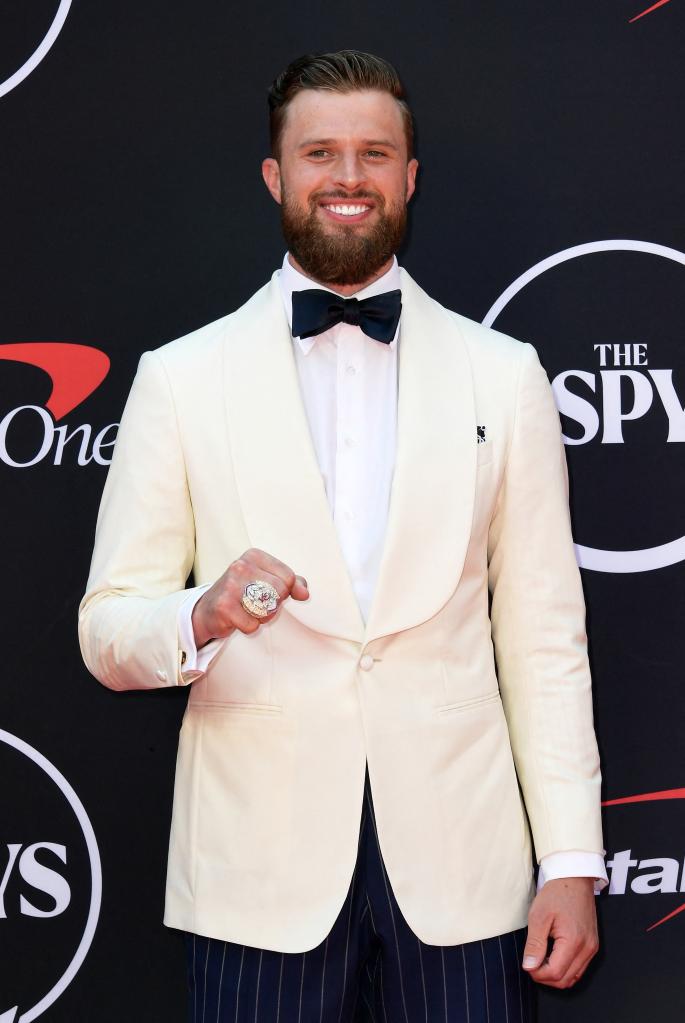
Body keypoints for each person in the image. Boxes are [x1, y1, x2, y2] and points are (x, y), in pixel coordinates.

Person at [79, 50, 607, 1023]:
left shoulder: (505, 374)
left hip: (465, 875)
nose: (348, 178)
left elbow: (542, 638)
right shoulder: (182, 378)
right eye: (320, 152)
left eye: (375, 153)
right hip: (254, 878)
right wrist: (205, 610)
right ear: (277, 176)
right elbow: (108, 629)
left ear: (410, 176)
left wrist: (570, 860)